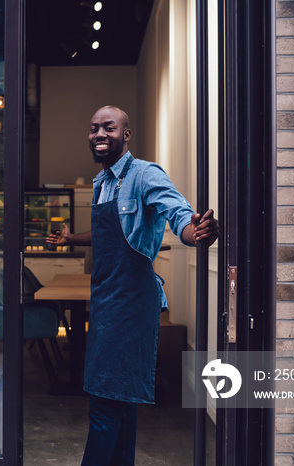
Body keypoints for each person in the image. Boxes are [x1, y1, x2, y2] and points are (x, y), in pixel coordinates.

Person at [47, 106, 219, 465]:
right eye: (93, 128)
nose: (99, 134)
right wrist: (70, 240)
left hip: (132, 305)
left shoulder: (145, 174)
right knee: (122, 404)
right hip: (107, 301)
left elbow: (178, 213)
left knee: (104, 403)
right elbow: (107, 234)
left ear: (126, 135)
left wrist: (194, 231)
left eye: (108, 127)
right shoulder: (102, 182)